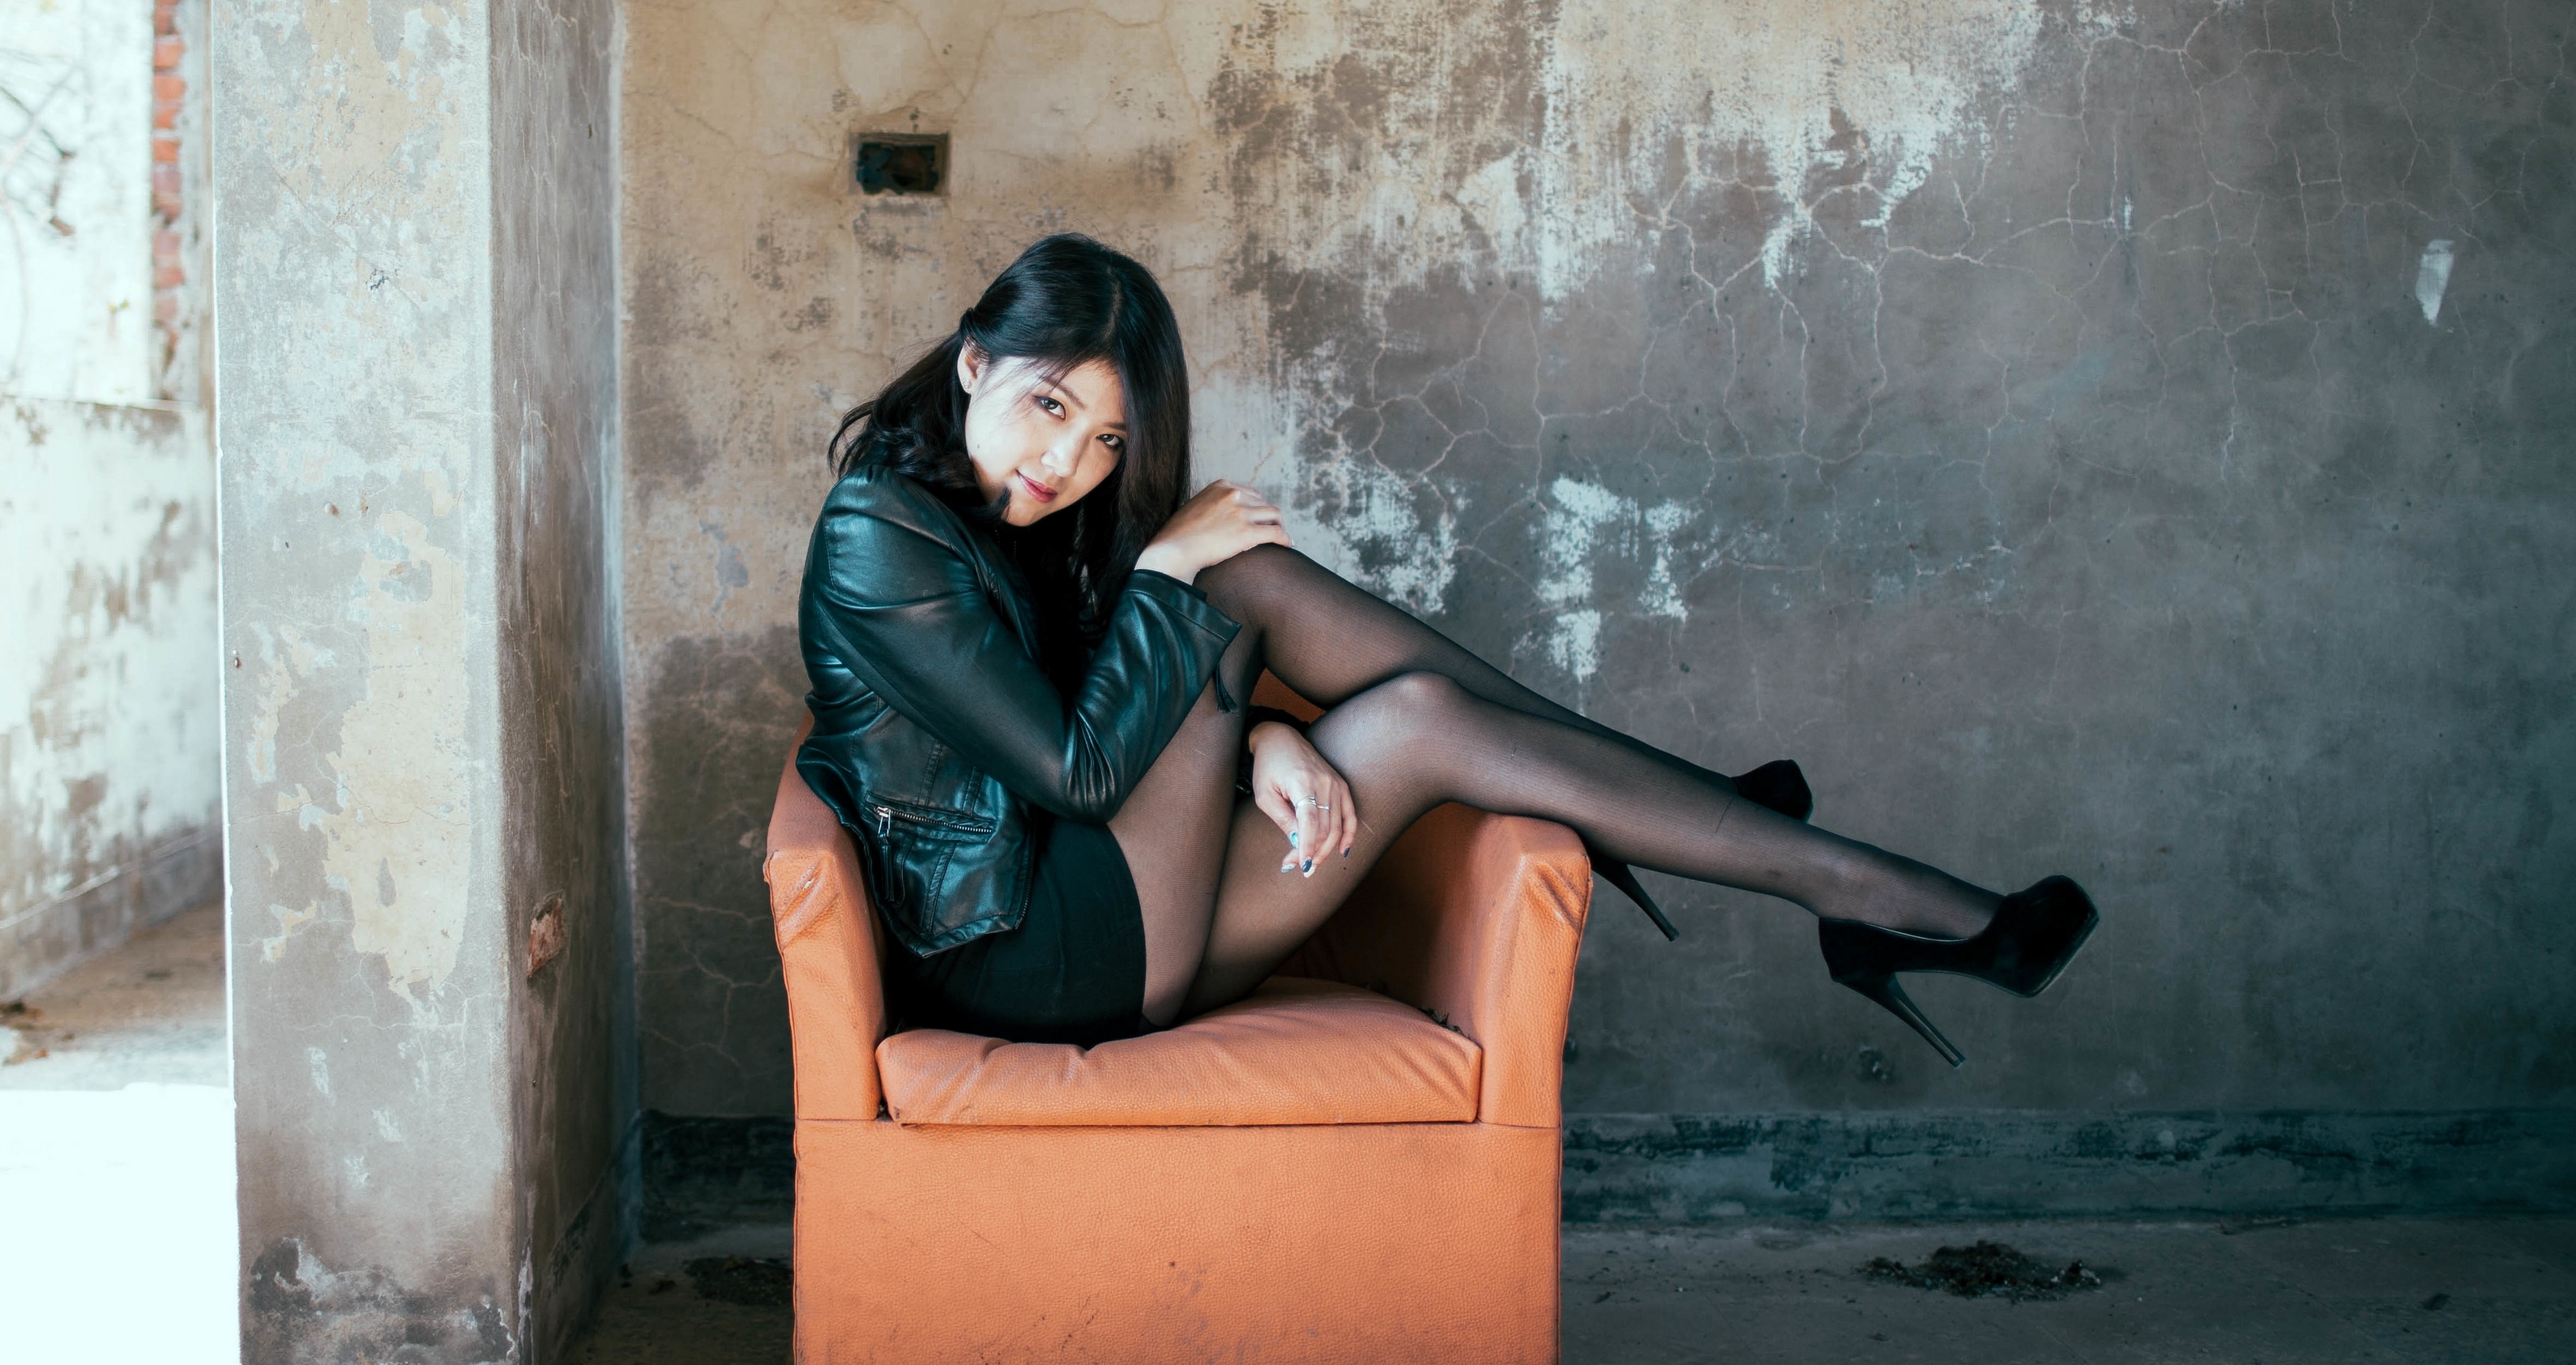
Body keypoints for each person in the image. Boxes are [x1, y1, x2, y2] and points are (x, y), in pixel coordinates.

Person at [795, 233, 2094, 1066]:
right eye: (1049, 405)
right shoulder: (876, 535)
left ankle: (1850, 886)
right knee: (1230, 573)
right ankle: (1720, 822)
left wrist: (1264, 736)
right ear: (975, 363)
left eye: (1107, 442)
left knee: (1415, 722)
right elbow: (1078, 769)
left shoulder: (993, 518)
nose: (1067, 462)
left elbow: (1086, 704)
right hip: (1025, 954)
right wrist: (1165, 571)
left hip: (1112, 922)